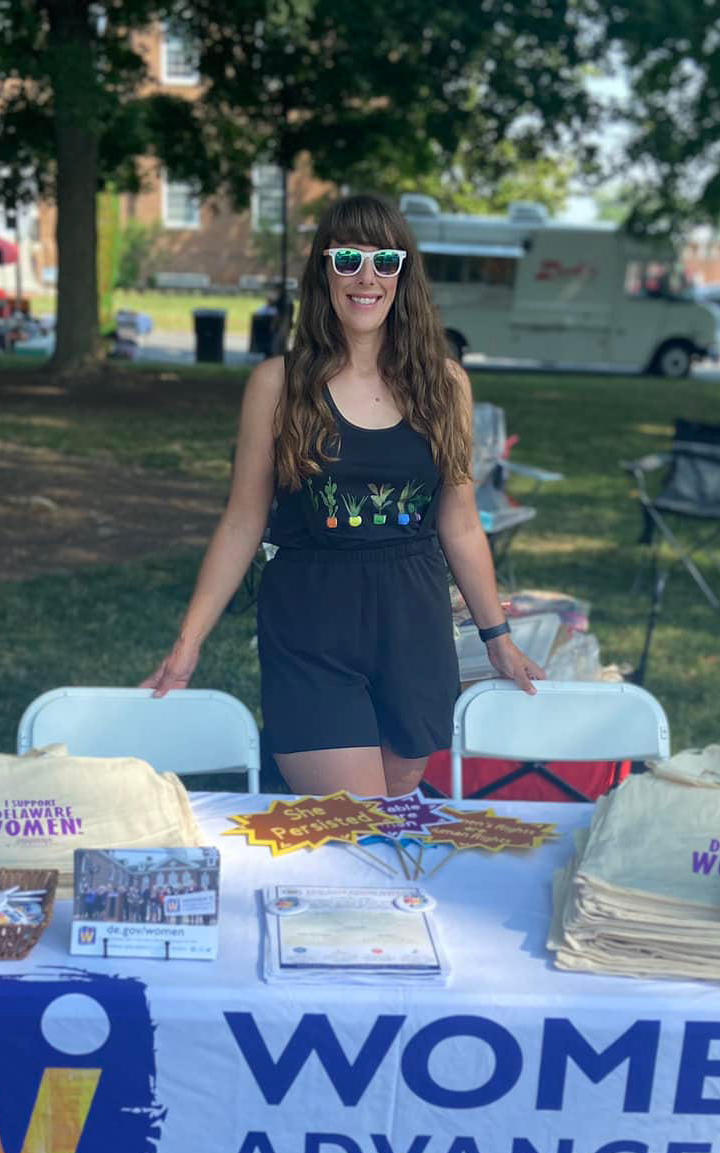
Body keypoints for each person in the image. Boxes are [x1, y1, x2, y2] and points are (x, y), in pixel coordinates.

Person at [142, 194, 544, 797]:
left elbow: (459, 523)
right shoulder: (278, 385)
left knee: (388, 832)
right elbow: (242, 522)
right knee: (353, 825)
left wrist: (498, 641)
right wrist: (188, 642)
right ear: (322, 269)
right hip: (311, 624)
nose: (366, 277)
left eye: (385, 260)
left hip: (415, 628)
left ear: (403, 274)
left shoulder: (446, 385)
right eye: (348, 257)